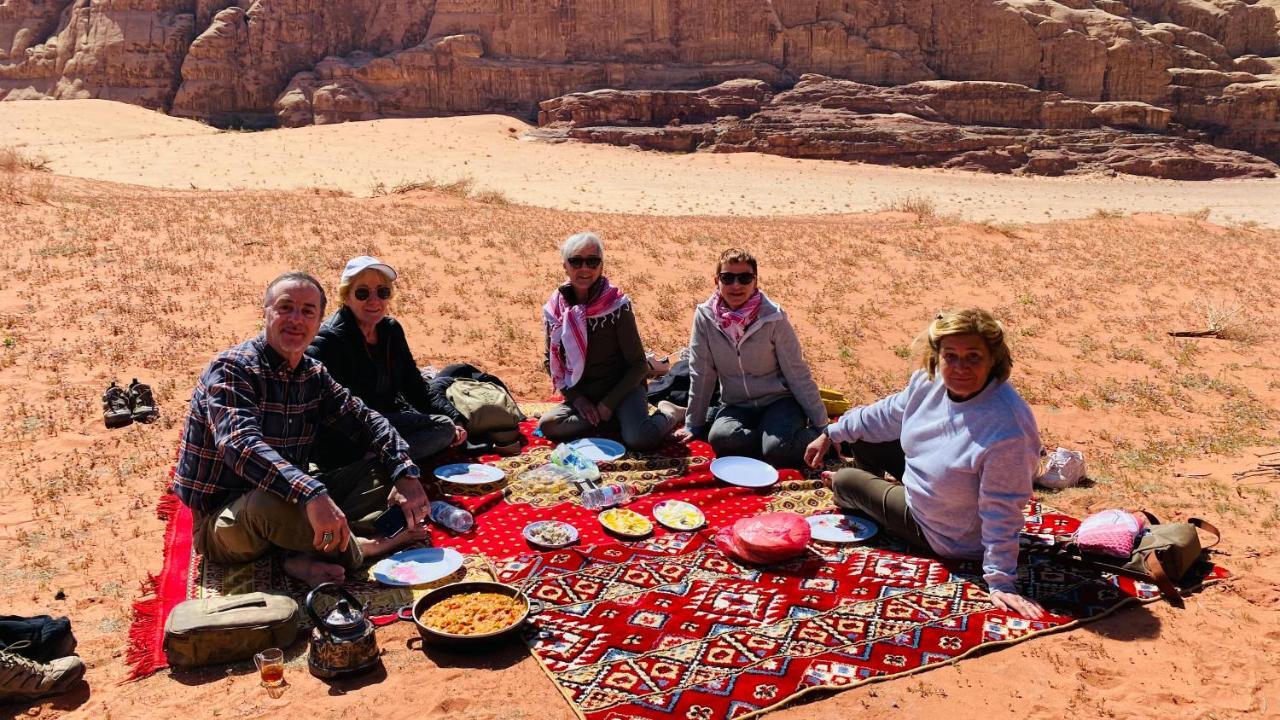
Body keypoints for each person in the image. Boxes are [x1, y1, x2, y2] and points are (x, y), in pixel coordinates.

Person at [174, 272, 430, 587]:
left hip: (294, 497)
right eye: (285, 308)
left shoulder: (312, 374)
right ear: (265, 312)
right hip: (227, 517)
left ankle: (304, 551)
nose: (296, 319)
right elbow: (240, 446)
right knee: (271, 502)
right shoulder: (233, 369)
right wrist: (311, 492)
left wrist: (405, 473)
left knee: (381, 469)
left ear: (319, 321)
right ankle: (363, 548)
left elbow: (367, 420)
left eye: (308, 311)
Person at [803, 308, 1045, 619]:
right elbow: (887, 414)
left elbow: (1003, 507)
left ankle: (857, 494)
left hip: (946, 530)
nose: (960, 367)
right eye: (951, 356)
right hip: (939, 482)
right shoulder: (929, 381)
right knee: (862, 432)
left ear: (994, 359)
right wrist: (832, 433)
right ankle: (872, 498)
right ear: (938, 355)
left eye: (973, 357)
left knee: (846, 479)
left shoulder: (1006, 429)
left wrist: (1000, 580)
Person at [673, 248, 827, 468]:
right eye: (728, 278)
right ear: (717, 281)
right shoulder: (705, 317)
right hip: (736, 404)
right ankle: (770, 439)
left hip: (779, 401)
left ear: (755, 281)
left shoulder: (773, 317)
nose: (736, 285)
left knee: (777, 450)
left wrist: (823, 427)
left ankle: (800, 440)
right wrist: (693, 425)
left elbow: (797, 373)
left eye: (744, 278)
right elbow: (702, 373)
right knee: (721, 439)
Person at [306, 256, 465, 468]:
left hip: (386, 422)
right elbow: (331, 413)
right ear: (346, 297)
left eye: (382, 292)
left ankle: (380, 462)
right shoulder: (328, 341)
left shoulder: (390, 330)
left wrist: (456, 418)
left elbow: (415, 387)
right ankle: (377, 464)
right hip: (348, 436)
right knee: (441, 430)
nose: (374, 300)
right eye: (362, 293)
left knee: (444, 427)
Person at [539, 232, 683, 451]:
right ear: (565, 267)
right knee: (549, 425)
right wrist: (578, 399)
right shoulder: (555, 309)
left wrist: (609, 403)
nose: (584, 268)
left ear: (601, 266)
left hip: (623, 388)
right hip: (585, 392)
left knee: (639, 439)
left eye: (592, 261)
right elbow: (551, 361)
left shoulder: (617, 306)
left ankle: (669, 413)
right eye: (576, 261)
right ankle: (613, 418)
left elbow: (638, 366)